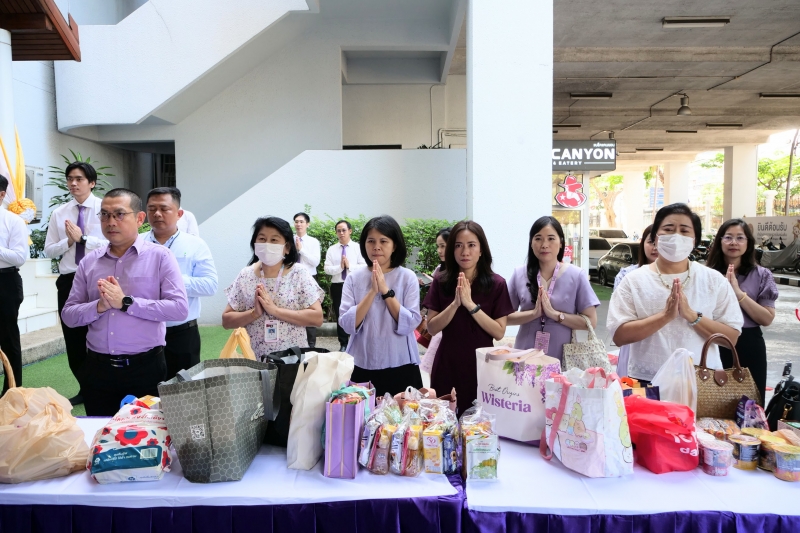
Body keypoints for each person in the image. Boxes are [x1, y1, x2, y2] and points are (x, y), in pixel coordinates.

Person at [61, 189, 188, 415]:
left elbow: (179, 308)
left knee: (144, 438)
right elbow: (69, 316)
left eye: (119, 214)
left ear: (139, 219)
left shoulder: (160, 257)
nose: (111, 221)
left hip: (145, 369)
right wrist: (98, 306)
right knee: (100, 436)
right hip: (98, 369)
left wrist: (126, 302)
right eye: (105, 215)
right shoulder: (89, 262)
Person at [607, 203, 743, 383]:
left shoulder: (713, 280)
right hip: (647, 381)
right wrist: (664, 316)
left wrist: (692, 316)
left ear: (695, 240)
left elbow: (731, 338)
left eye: (684, 231)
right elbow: (619, 336)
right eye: (668, 229)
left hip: (702, 381)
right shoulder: (634, 280)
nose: (676, 236)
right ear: (655, 238)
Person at [425, 221, 514, 414]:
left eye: (471, 245)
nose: (465, 251)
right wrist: (456, 303)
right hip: (447, 363)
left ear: (481, 250)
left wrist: (470, 305)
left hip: (481, 365)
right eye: (458, 245)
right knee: (444, 421)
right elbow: (431, 328)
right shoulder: (441, 281)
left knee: (478, 427)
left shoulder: (496, 284)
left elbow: (499, 332)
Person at [44, 161, 107, 406]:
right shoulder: (60, 213)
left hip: (100, 276)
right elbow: (49, 250)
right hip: (70, 279)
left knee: (101, 331)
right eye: (70, 178)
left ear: (92, 183)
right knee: (73, 335)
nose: (73, 183)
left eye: (79, 179)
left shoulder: (106, 208)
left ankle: (104, 382)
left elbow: (114, 243)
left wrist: (84, 239)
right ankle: (85, 386)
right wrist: (68, 243)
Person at [339, 215, 423, 396]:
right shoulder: (354, 278)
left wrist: (385, 291)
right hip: (361, 362)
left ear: (395, 246)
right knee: (361, 420)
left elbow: (410, 323)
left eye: (383, 241)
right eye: (371, 241)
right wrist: (371, 292)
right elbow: (346, 324)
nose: (376, 246)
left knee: (403, 420)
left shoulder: (407, 277)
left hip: (400, 363)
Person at [223, 216, 324, 355]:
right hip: (256, 361)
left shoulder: (299, 273)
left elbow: (317, 318)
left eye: (274, 240)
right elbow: (226, 321)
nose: (267, 244)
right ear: (255, 244)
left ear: (287, 247)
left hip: (292, 361)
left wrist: (274, 310)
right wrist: (254, 313)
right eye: (262, 239)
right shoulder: (245, 275)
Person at [145, 187, 218, 378]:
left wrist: (174, 281)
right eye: (152, 209)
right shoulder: (137, 244)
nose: (157, 214)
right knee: (146, 390)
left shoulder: (195, 245)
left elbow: (210, 285)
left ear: (179, 214)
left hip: (182, 333)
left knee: (184, 392)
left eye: (164, 208)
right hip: (145, 331)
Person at [506, 216, 600, 363]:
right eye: (538, 238)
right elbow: (504, 318)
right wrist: (533, 313)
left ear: (561, 243)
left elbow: (591, 322)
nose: (544, 244)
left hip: (562, 358)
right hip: (524, 355)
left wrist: (556, 315)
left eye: (551, 238)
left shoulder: (576, 276)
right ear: (531, 243)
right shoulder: (519, 274)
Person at [706, 218, 778, 402]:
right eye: (728, 237)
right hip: (714, 340)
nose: (733, 243)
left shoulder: (762, 275)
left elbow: (767, 318)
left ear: (748, 243)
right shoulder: (706, 274)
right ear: (719, 241)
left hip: (749, 344)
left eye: (740, 238)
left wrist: (738, 293)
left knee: (750, 405)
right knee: (712, 402)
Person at [612, 224, 658, 376]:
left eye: (661, 242)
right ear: (643, 243)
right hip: (632, 345)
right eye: (651, 241)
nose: (655, 247)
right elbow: (619, 315)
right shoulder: (627, 275)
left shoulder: (678, 278)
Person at [0, 175, 29, 394]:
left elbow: (20, 257)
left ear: (2, 195)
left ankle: (12, 391)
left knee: (8, 337)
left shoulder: (13, 221)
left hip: (5, 281)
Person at [323, 220, 366, 351]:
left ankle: (357, 339)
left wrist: (349, 266)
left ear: (350, 231)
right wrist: (340, 267)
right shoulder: (332, 249)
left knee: (357, 311)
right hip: (338, 285)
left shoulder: (358, 248)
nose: (341, 233)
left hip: (355, 284)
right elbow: (327, 269)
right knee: (340, 313)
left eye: (344, 230)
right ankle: (343, 343)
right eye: (338, 231)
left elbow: (364, 266)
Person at [419, 227, 450, 375]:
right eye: (438, 246)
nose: (439, 250)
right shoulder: (439, 269)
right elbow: (432, 296)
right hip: (439, 325)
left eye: (443, 246)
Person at [293, 212, 321, 348]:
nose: (298, 224)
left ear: (307, 224)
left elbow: (315, 262)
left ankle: (311, 345)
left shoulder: (313, 242)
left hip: (309, 279)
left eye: (301, 222)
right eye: (296, 221)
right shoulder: (289, 241)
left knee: (310, 310)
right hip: (292, 279)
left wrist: (301, 250)